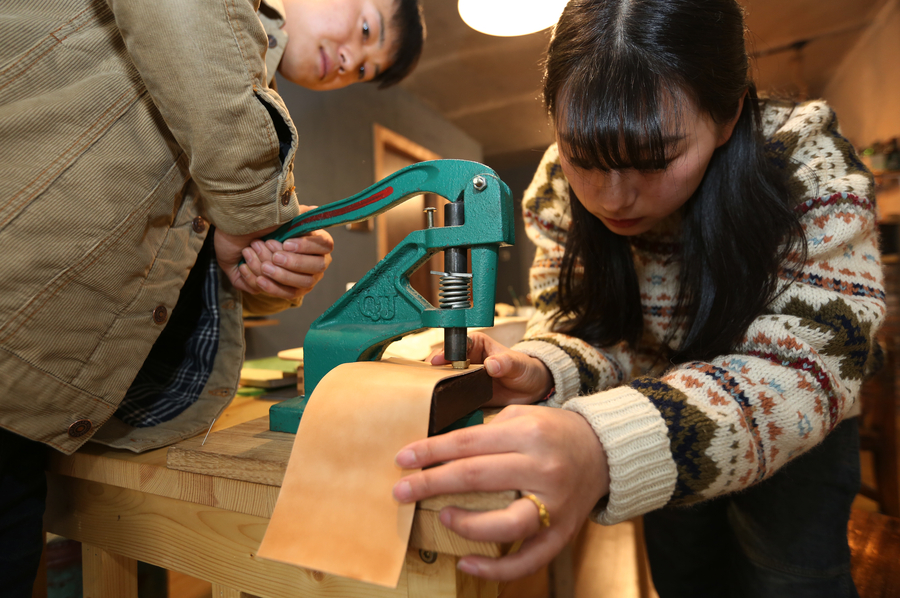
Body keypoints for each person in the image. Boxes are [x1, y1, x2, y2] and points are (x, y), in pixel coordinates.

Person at [391, 1, 884, 596]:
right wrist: (546, 367)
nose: (611, 197)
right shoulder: (553, 191)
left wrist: (603, 446)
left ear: (726, 116)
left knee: (791, 580)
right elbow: (593, 335)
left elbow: (808, 364)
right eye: (583, 157)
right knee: (684, 578)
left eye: (654, 160)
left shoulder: (806, 162)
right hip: (656, 424)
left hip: (796, 431)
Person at [0, 0, 424, 594]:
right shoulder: (235, 97)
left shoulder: (247, 97)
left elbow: (159, 269)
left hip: (32, 407)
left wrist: (255, 275)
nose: (349, 61)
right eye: (364, 29)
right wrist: (255, 212)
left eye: (361, 70)